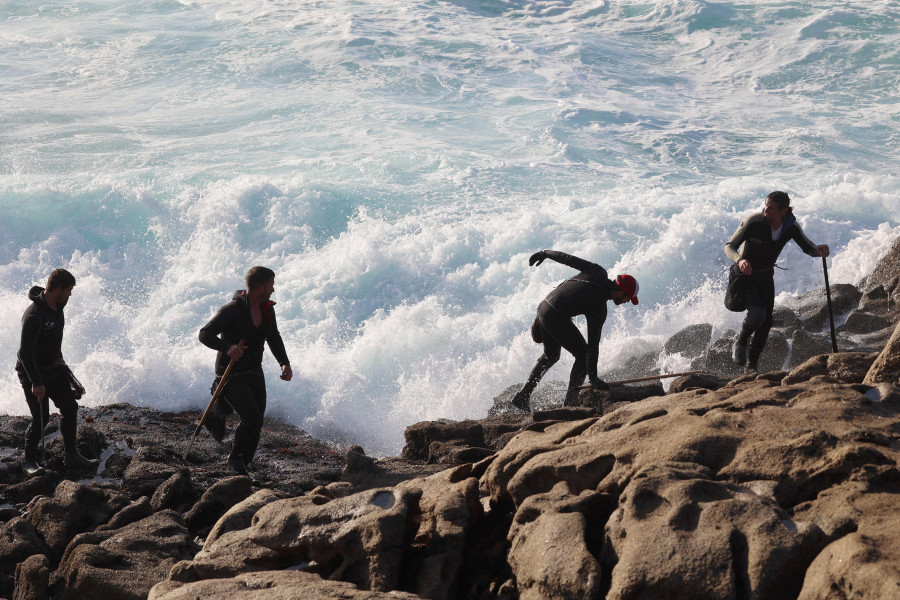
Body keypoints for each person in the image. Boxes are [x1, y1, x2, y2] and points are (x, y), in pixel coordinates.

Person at [512, 250, 639, 411]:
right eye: (628, 298)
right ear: (621, 291)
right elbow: (593, 345)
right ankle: (570, 402)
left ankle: (522, 396)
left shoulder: (598, 272)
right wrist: (593, 377)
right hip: (555, 317)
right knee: (583, 355)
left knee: (551, 356)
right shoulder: (599, 307)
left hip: (543, 308)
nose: (627, 301)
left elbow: (568, 259)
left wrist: (545, 253)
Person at [199, 266, 292, 477]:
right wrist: (227, 347)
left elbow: (273, 337)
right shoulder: (231, 310)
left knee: (257, 420)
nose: (273, 290)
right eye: (271, 286)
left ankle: (244, 464)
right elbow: (205, 334)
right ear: (260, 288)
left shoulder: (267, 308)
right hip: (230, 373)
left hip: (253, 370)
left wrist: (284, 363)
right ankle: (235, 460)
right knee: (250, 418)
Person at [725, 191, 829, 373]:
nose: (766, 210)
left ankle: (752, 366)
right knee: (757, 314)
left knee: (766, 322)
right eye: (766, 205)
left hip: (765, 276)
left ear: (784, 211)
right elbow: (729, 246)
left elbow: (809, 247)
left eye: (771, 208)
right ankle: (740, 343)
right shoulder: (754, 221)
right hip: (744, 276)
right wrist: (740, 260)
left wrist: (820, 251)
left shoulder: (790, 227)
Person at [16, 269, 99, 476]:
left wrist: (60, 360)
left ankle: (71, 455)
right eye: (68, 290)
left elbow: (53, 338)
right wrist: (36, 383)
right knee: (41, 418)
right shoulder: (34, 315)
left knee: (70, 407)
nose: (70, 295)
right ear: (58, 289)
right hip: (32, 372)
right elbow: (24, 353)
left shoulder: (59, 305)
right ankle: (28, 462)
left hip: (53, 367)